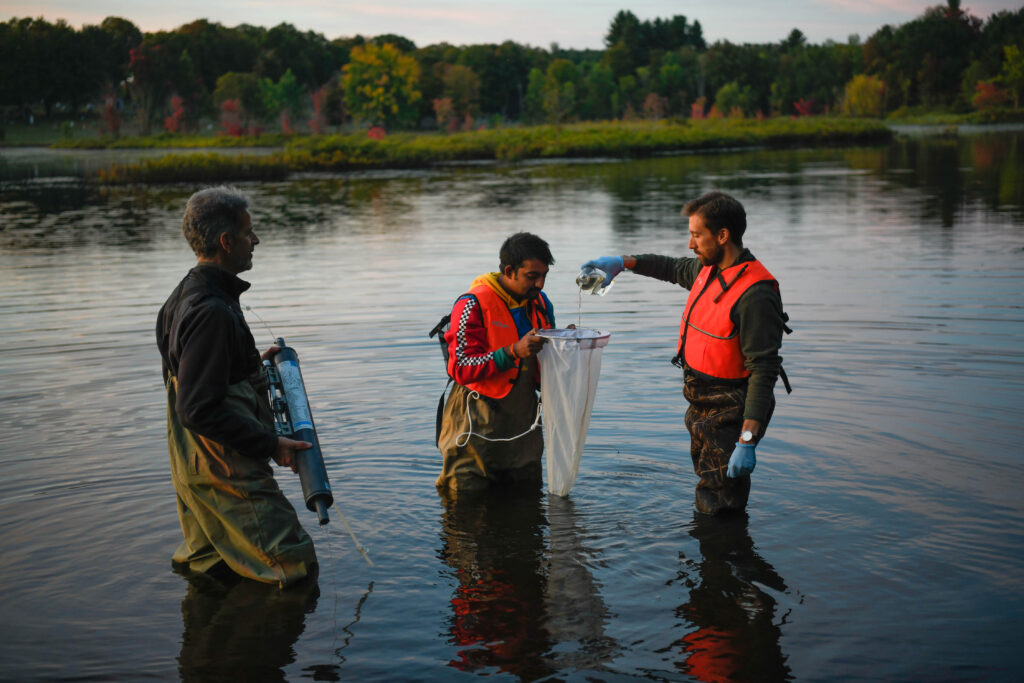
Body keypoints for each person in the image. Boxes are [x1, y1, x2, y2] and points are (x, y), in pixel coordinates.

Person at [582, 191, 790, 514]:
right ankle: (718, 554)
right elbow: (671, 267)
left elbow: (763, 370)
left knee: (719, 506)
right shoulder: (708, 270)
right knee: (711, 493)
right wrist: (623, 263)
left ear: (723, 236)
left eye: (696, 235)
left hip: (730, 408)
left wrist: (747, 440)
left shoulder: (755, 294)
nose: (690, 244)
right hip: (701, 401)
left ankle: (722, 557)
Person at [156, 186, 317, 587]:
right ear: (226, 243)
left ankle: (215, 643)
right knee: (293, 564)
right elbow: (196, 408)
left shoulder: (185, 296)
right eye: (249, 233)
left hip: (192, 464)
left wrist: (248, 365)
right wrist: (270, 444)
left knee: (214, 566)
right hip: (221, 464)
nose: (256, 240)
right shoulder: (211, 310)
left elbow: (195, 374)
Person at [436, 232, 557, 493]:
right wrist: (513, 351)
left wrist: (564, 344)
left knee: (526, 498)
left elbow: (546, 363)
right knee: (466, 499)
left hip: (524, 424)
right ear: (510, 270)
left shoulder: (542, 304)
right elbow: (461, 367)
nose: (541, 284)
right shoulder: (471, 304)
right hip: (475, 421)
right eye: (532, 276)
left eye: (544, 275)